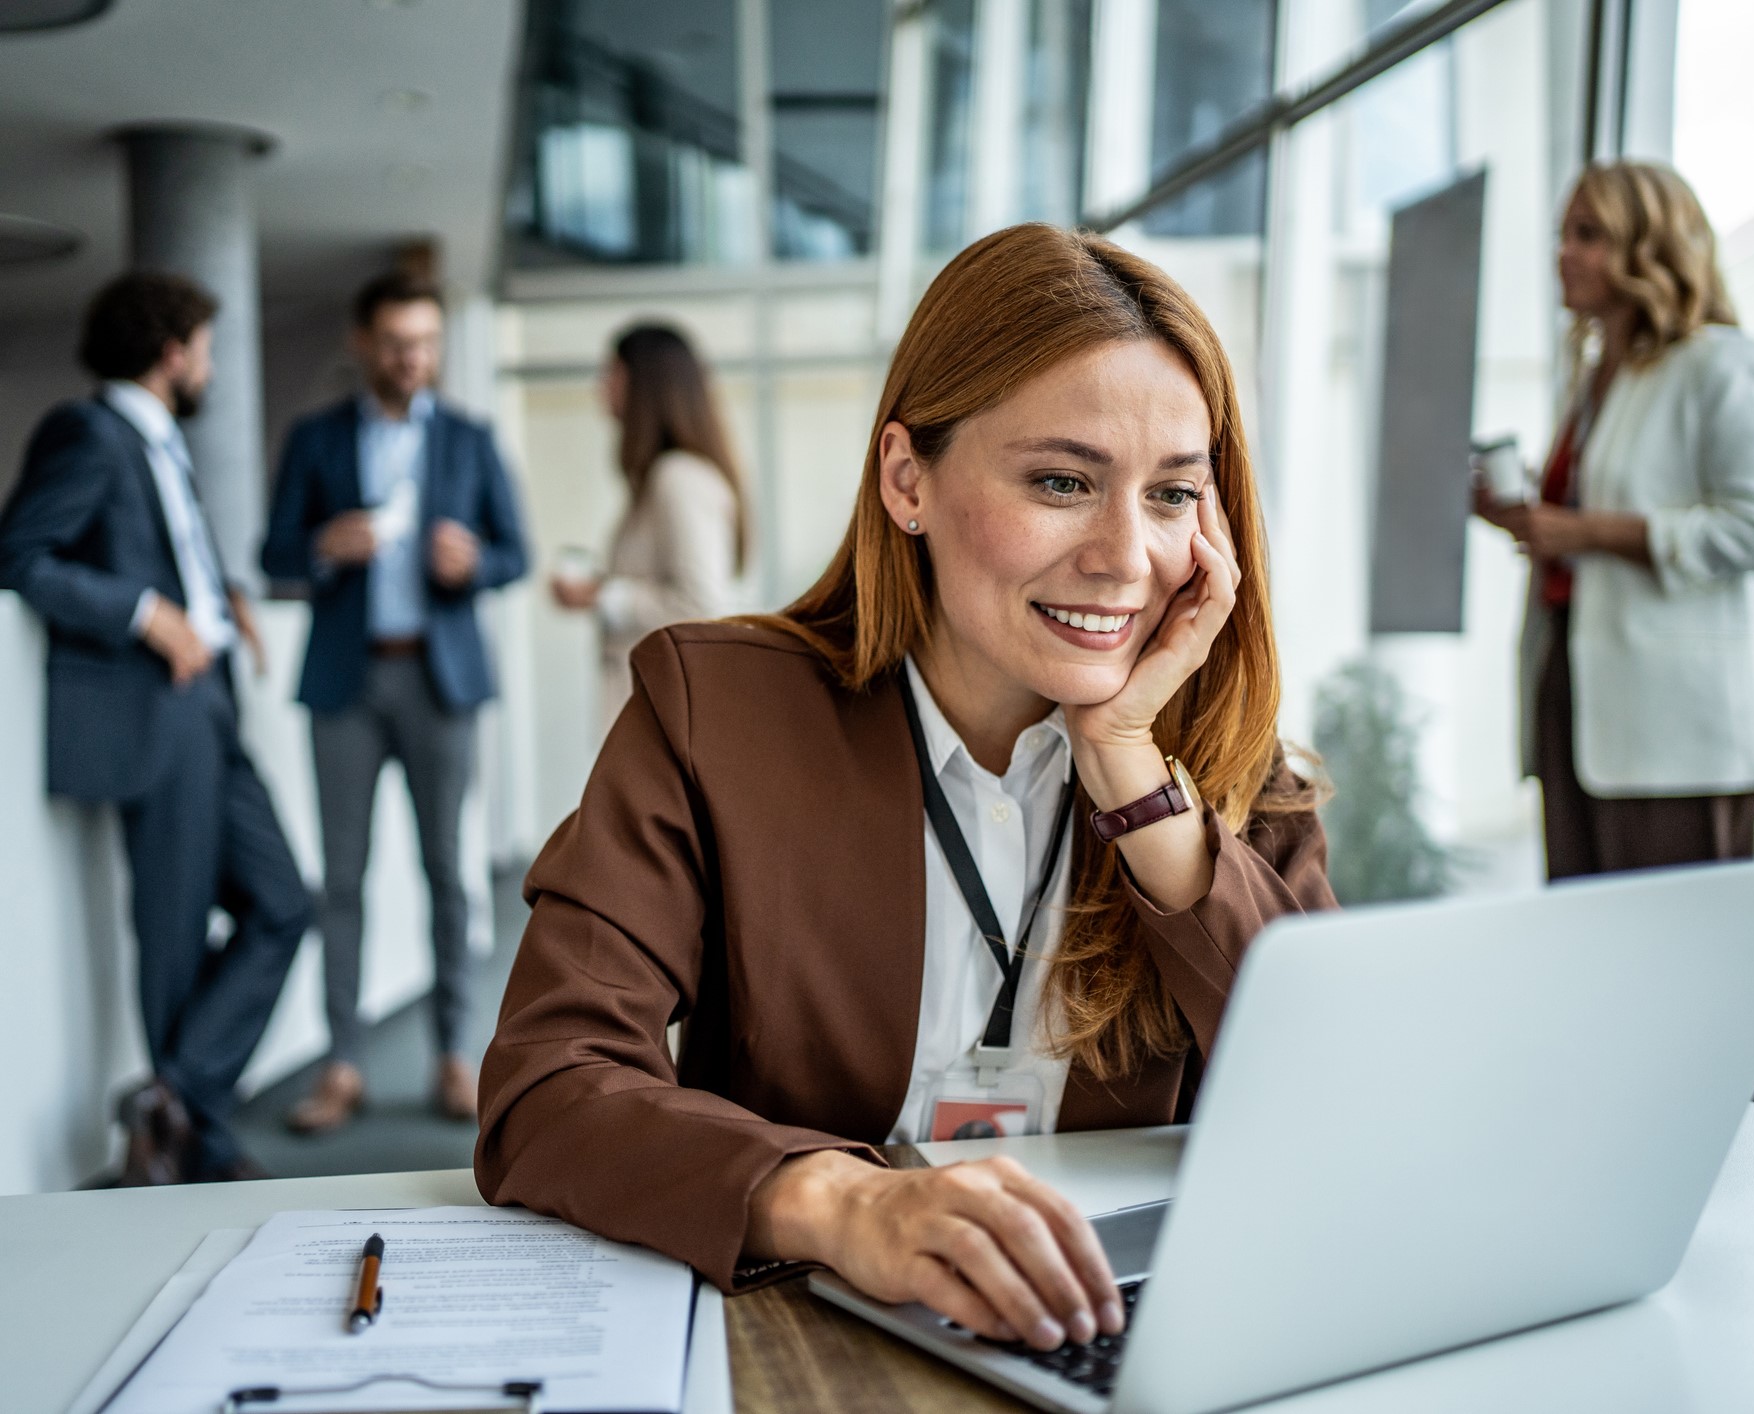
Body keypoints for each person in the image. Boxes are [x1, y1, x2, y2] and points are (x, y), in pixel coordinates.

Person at [476, 225, 1334, 1354]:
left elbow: (1332, 1106)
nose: (1128, 556)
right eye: (1063, 481)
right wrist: (841, 1199)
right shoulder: (715, 715)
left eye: (1172, 494)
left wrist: (1128, 765)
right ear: (906, 478)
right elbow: (547, 1083)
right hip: (804, 1322)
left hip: (1115, 1331)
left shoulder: (1231, 763)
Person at [0, 271, 310, 1184]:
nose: (210, 365)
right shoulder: (87, 432)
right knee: (173, 935)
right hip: (151, 708)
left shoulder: (158, 442)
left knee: (281, 902)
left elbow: (170, 547)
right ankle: (195, 1138)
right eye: (206, 348)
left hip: (207, 702)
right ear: (172, 351)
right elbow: (18, 553)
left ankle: (171, 1098)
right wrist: (147, 613)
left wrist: (220, 602)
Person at [1475, 161, 1754, 880]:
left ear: (1649, 247)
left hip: (1681, 735)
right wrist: (1525, 518)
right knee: (1595, 953)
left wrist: (1585, 532)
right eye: (1563, 233)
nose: (1563, 252)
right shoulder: (1595, 379)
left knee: (1683, 966)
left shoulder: (1720, 365)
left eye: (1588, 234)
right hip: (1577, 693)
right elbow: (1582, 522)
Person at [261, 272, 530, 1132]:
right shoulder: (315, 438)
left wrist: (475, 563)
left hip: (439, 675)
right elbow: (273, 552)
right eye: (396, 342)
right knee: (341, 878)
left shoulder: (468, 437)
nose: (412, 357)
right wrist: (321, 546)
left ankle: (456, 1056)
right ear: (363, 343)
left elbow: (514, 551)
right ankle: (342, 1064)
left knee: (448, 873)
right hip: (345, 679)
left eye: (425, 342)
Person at [550, 323, 747, 733]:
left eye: (612, 374)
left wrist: (604, 596)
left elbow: (701, 603)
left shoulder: (678, 478)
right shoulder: (657, 479)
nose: (601, 388)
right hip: (650, 713)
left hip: (665, 718)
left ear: (645, 384)